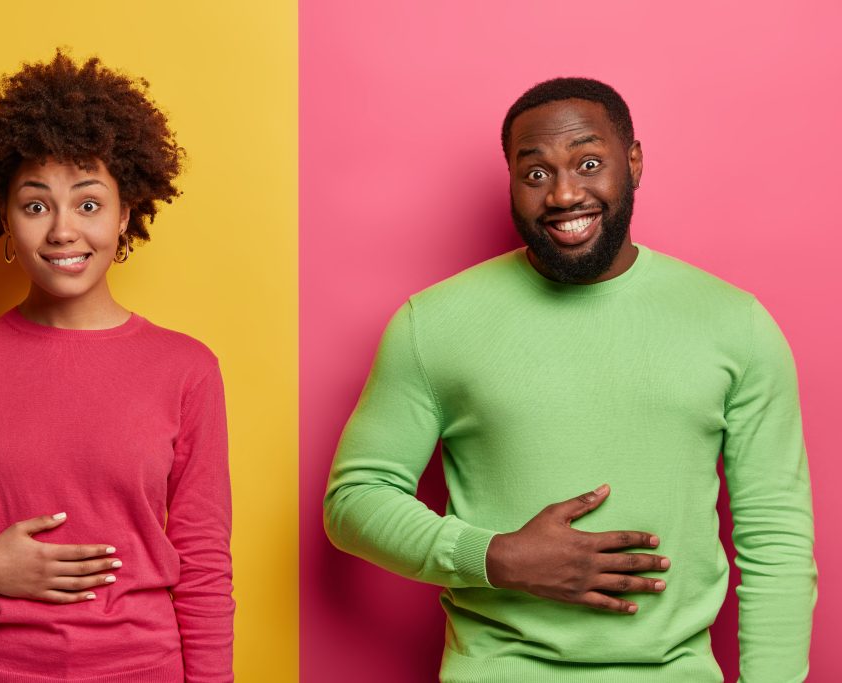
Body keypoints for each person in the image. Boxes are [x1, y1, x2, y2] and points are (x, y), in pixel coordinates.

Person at [324, 77, 815, 682]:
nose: (563, 194)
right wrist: (495, 556)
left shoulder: (734, 324)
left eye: (588, 163)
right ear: (511, 180)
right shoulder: (433, 323)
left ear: (633, 162)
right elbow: (354, 501)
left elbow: (777, 542)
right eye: (535, 174)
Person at [0, 51, 234, 682]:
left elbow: (203, 563)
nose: (62, 230)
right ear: (4, 217)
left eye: (88, 204)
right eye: (36, 206)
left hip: (143, 668)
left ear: (125, 217)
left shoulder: (186, 368)